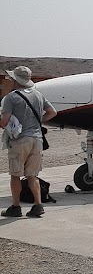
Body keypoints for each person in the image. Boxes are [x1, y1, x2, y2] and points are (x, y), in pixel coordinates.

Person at [0, 66, 57, 217]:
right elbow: (52, 112)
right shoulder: (38, 95)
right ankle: (38, 205)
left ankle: (16, 206)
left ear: (15, 80)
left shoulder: (11, 97)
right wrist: (38, 122)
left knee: (15, 174)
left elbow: (4, 120)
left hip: (19, 139)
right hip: (36, 139)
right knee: (32, 175)